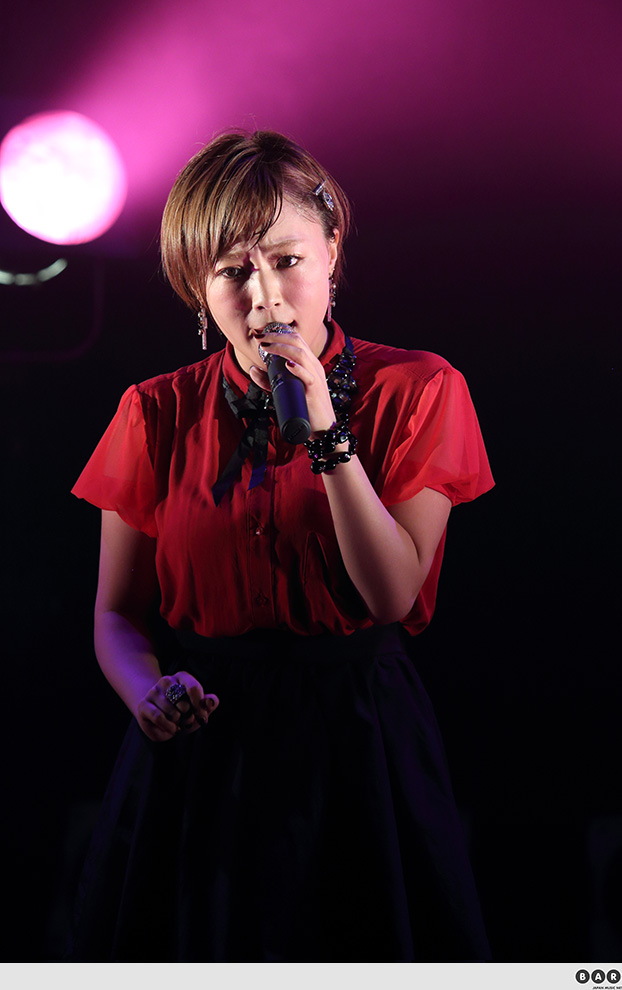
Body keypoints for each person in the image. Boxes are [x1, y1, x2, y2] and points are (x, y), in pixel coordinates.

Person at [69, 129, 495, 962]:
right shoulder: (154, 411)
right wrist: (148, 694)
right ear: (197, 288)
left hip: (357, 738)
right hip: (203, 747)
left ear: (333, 249)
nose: (264, 296)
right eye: (231, 272)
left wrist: (327, 433)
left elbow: (392, 595)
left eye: (286, 260)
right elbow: (116, 616)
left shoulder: (418, 389)